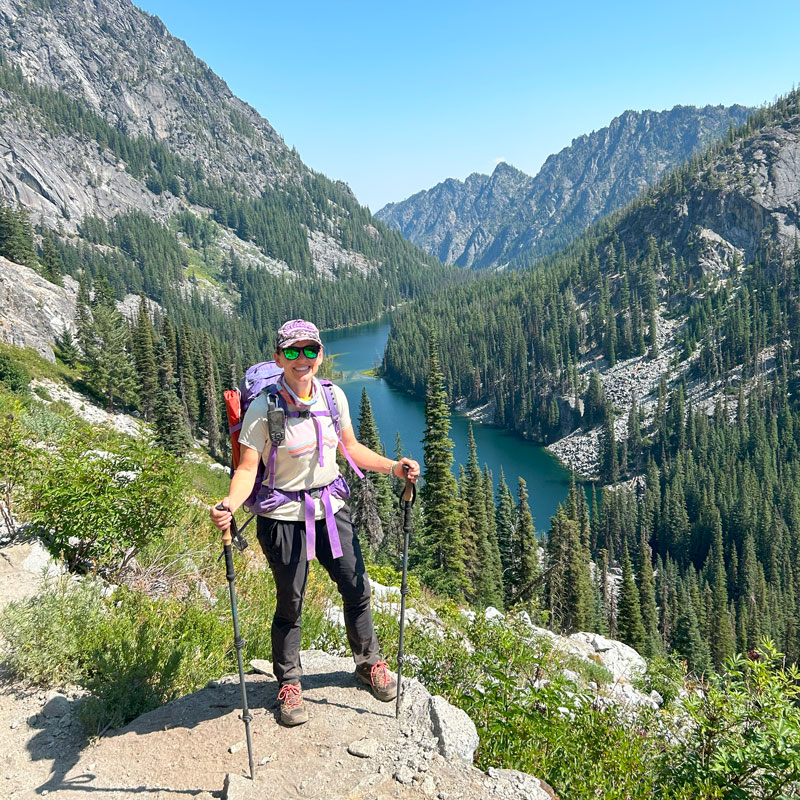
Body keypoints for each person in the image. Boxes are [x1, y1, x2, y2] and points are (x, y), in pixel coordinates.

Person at [210, 319, 420, 726]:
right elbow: (248, 469)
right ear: (278, 358)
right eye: (291, 351)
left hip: (331, 509)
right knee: (291, 603)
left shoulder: (332, 396)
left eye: (309, 350)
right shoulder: (262, 408)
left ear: (320, 356)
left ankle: (369, 662)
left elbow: (352, 448)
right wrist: (229, 505)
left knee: (356, 586)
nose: (301, 359)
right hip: (282, 518)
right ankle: (288, 682)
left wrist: (394, 467)